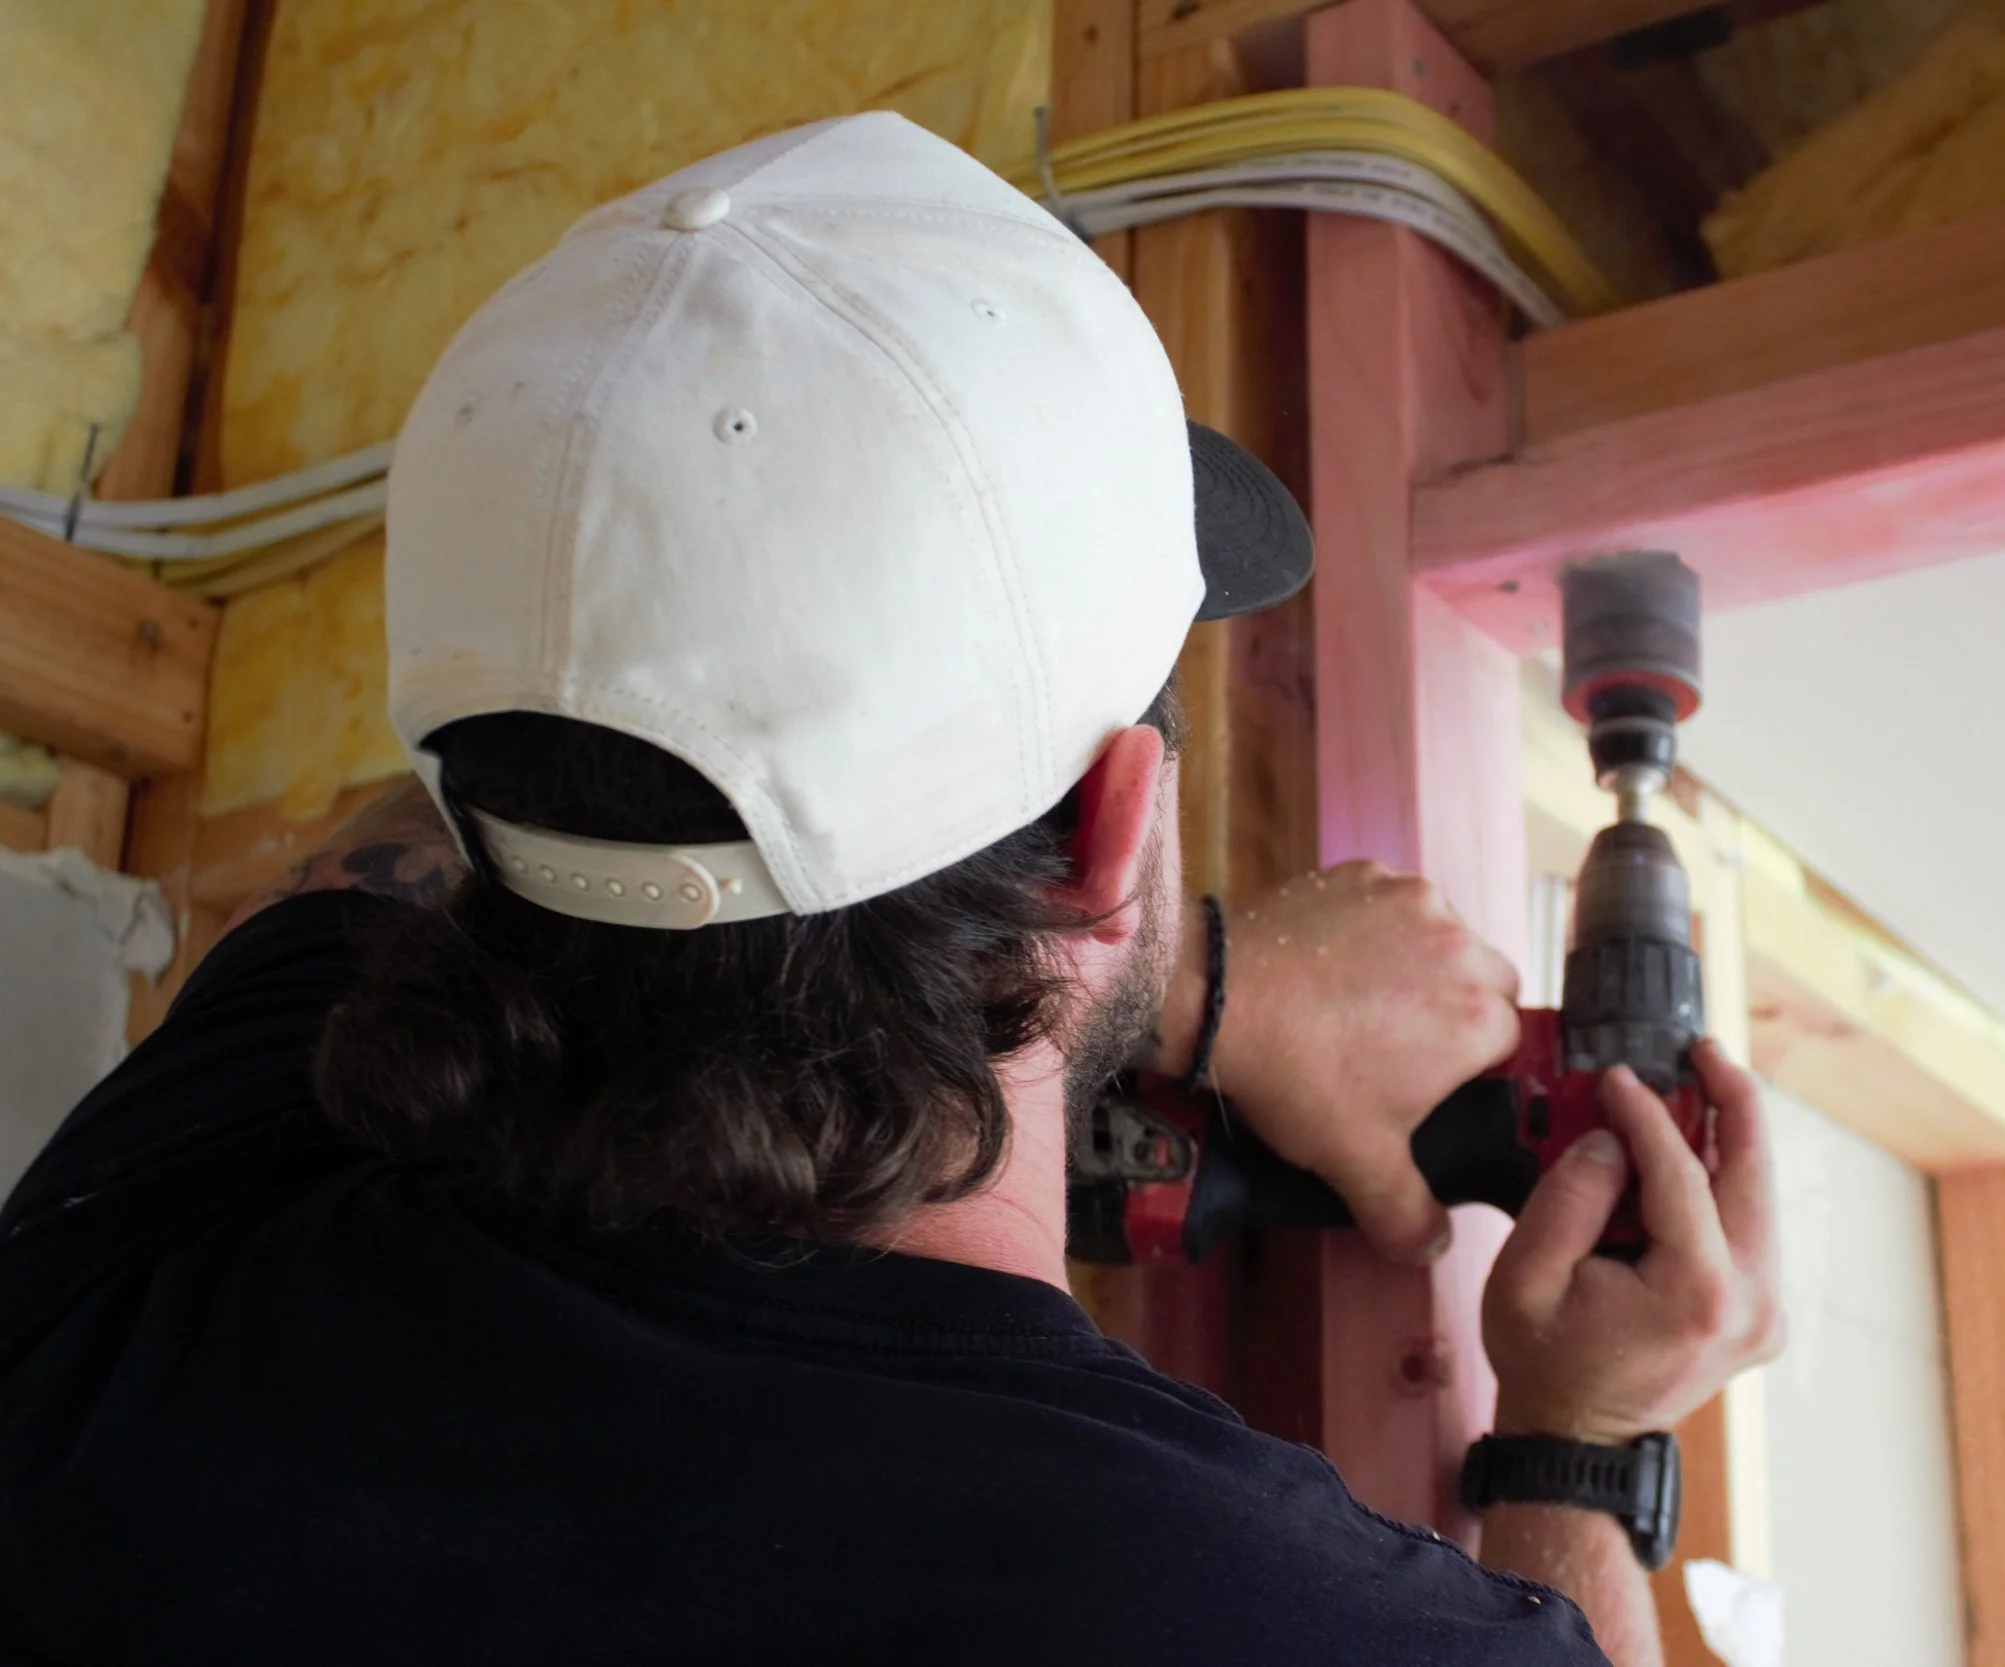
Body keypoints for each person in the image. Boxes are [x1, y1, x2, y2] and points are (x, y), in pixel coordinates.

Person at [0, 115, 1780, 1664]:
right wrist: (1578, 1444)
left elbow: (392, 852)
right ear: (1110, 830)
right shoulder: (1261, 1622)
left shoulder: (126, 1299)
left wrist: (1156, 967)